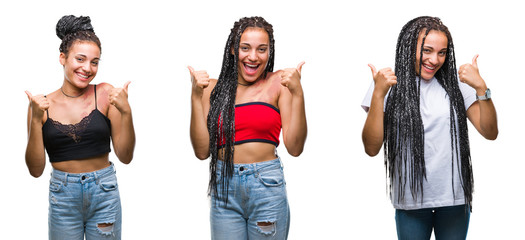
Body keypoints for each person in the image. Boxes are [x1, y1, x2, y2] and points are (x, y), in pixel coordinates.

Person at [361, 16, 498, 240]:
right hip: (411, 200)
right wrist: (378, 94)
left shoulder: (457, 84)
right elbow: (372, 147)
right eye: (427, 50)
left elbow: (490, 132)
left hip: (454, 198)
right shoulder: (387, 84)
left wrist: (481, 88)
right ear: (408, 46)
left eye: (442, 52)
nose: (435, 60)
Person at [189, 16, 307, 240]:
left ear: (269, 52)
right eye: (245, 48)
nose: (253, 57)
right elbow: (202, 152)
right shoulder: (212, 89)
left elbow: (295, 147)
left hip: (266, 186)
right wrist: (195, 97)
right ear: (233, 49)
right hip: (224, 187)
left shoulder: (279, 82)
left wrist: (298, 93)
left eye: (262, 49)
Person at [25, 15, 135, 240]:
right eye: (80, 59)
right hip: (62, 198)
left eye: (94, 62)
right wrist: (36, 120)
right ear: (62, 58)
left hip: (104, 194)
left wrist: (126, 112)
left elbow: (125, 156)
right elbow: (35, 170)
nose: (88, 68)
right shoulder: (41, 105)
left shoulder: (105, 94)